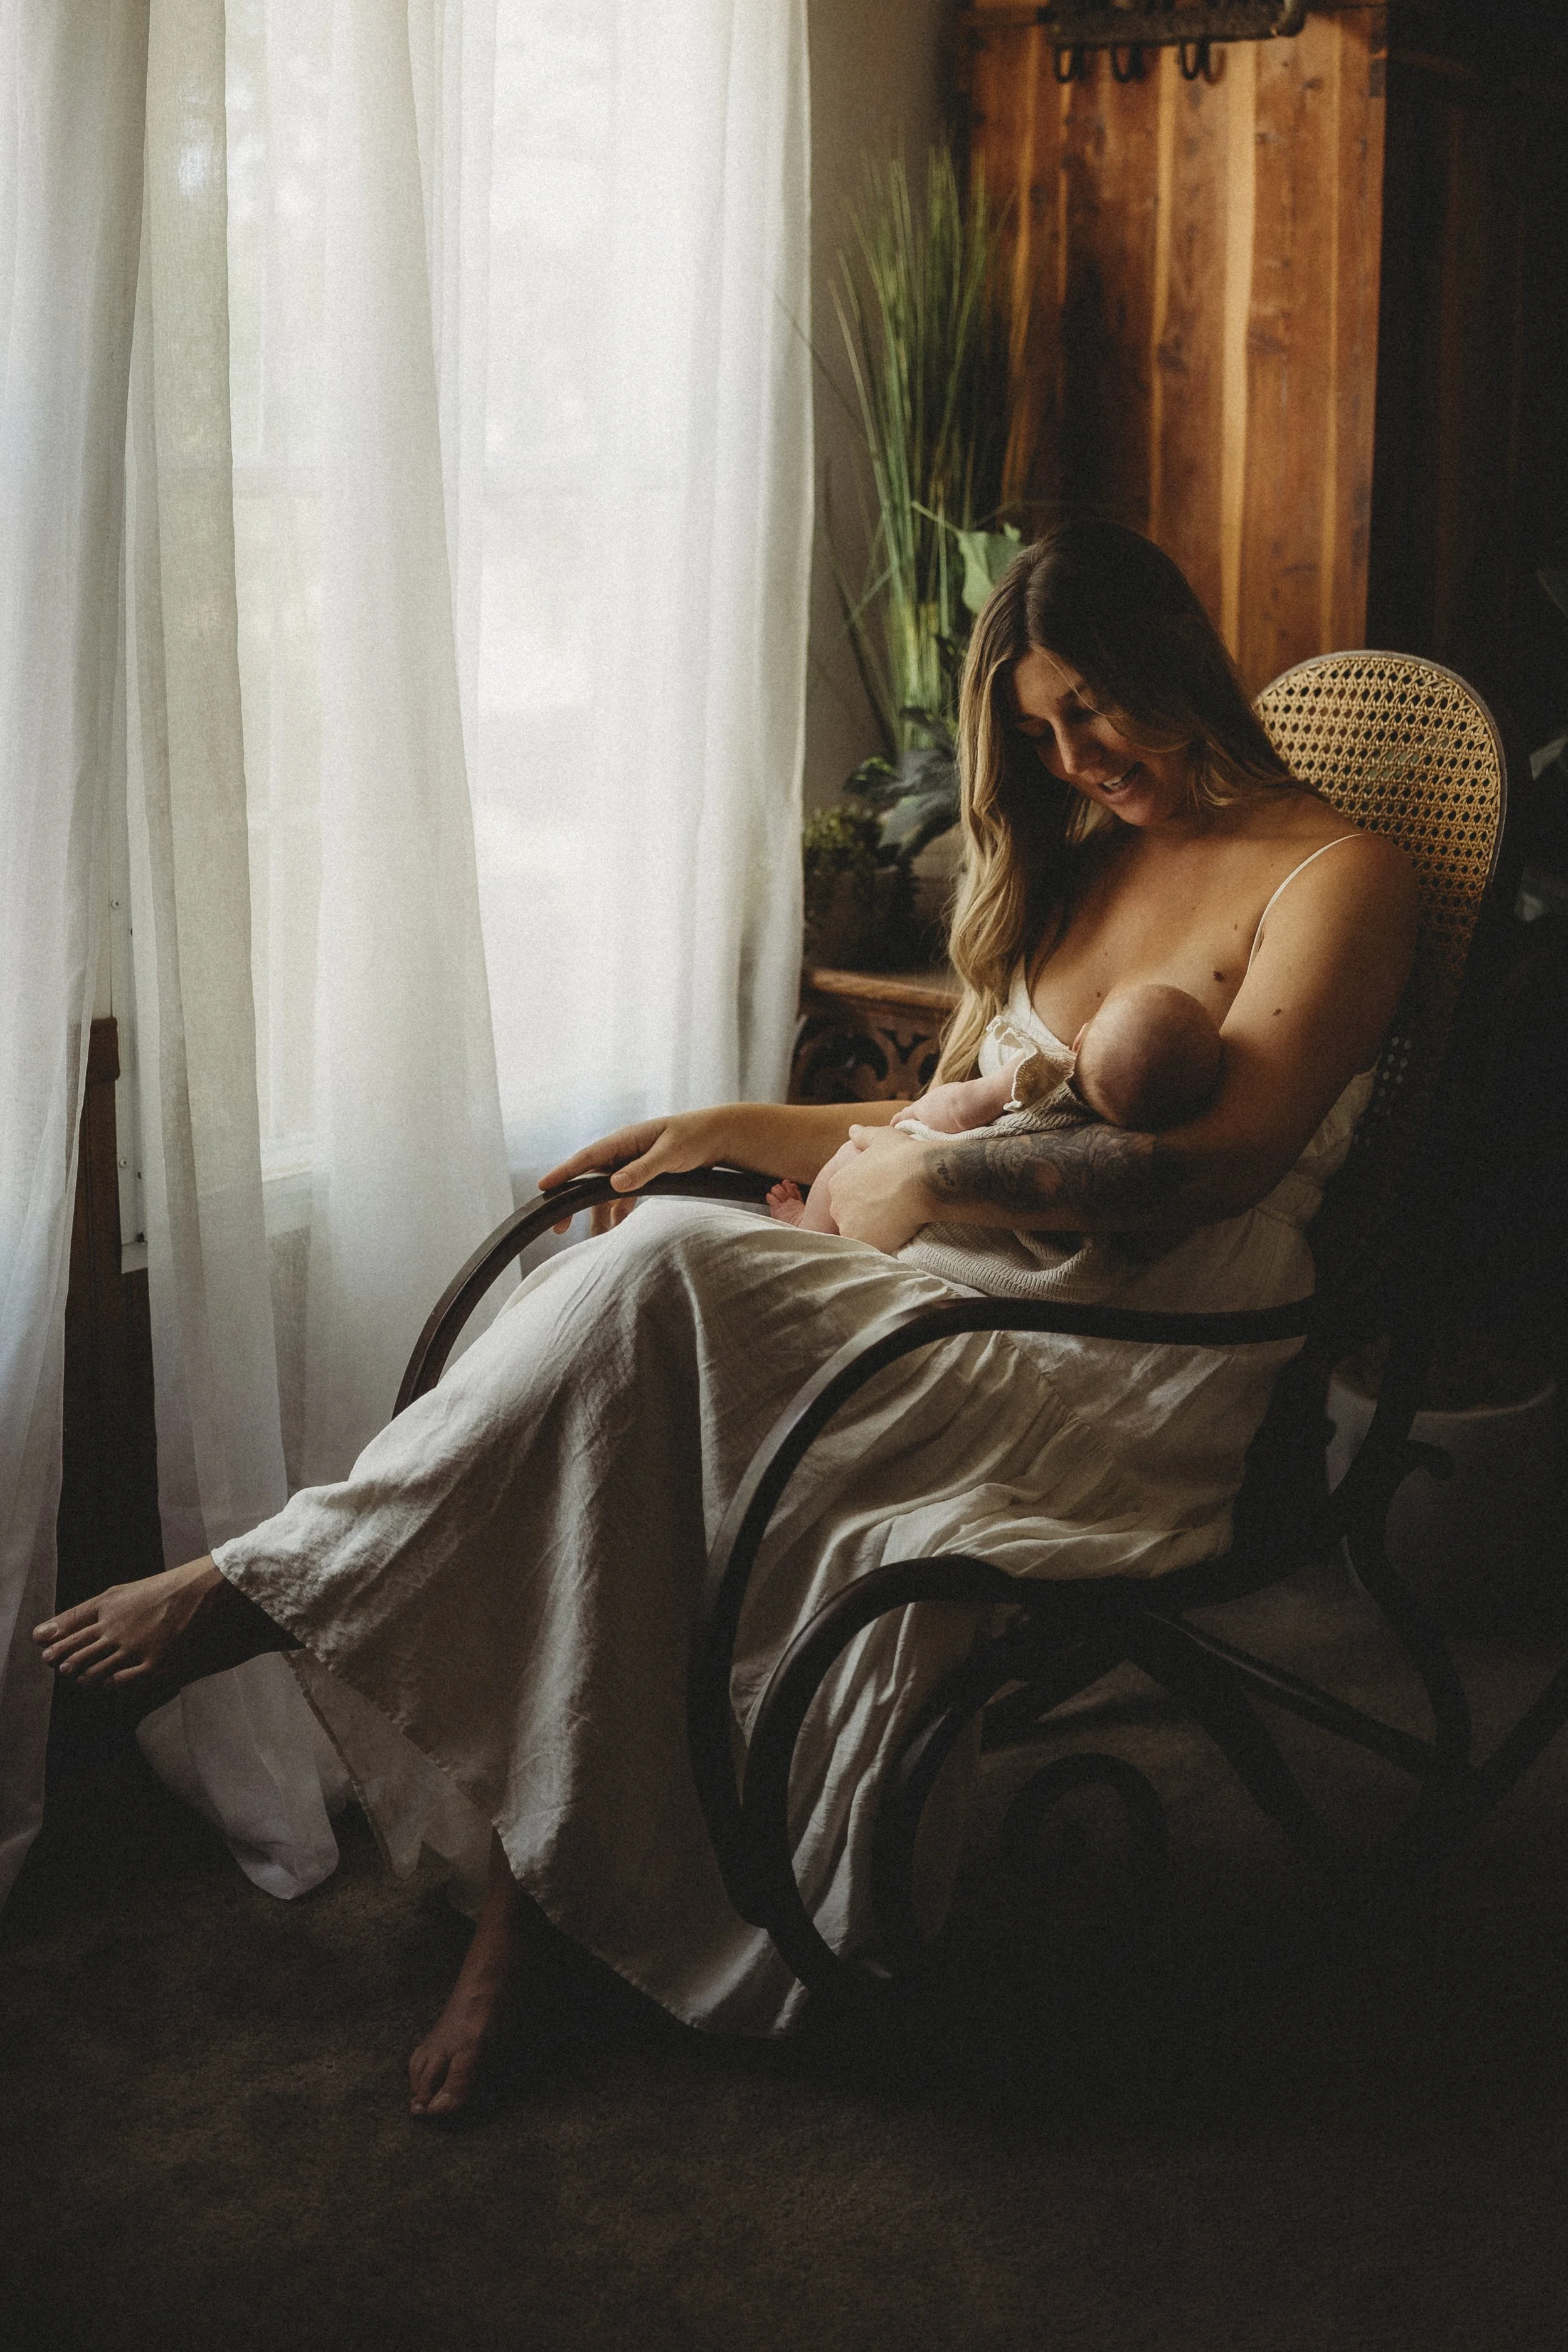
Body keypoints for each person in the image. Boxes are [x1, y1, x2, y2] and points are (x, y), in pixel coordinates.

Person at [33, 521, 1417, 2121]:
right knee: (654, 1359)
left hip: (1127, 1364)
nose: (1073, 755)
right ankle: (528, 1905)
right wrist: (718, 1125)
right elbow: (939, 1119)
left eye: (1095, 708)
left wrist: (922, 1193)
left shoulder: (1341, 873)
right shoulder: (1087, 856)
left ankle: (274, 1578)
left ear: (1175, 668)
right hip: (953, 1296)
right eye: (1038, 730)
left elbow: (1224, 1158)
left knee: (664, 1279)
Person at [767, 980, 1224, 1234]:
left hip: (914, 1195)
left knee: (852, 1154)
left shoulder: (1040, 1074)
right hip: (1006, 1231)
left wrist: (917, 1115)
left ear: (1080, 1039)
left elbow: (961, 1107)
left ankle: (807, 1227)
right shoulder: (1139, 1133)